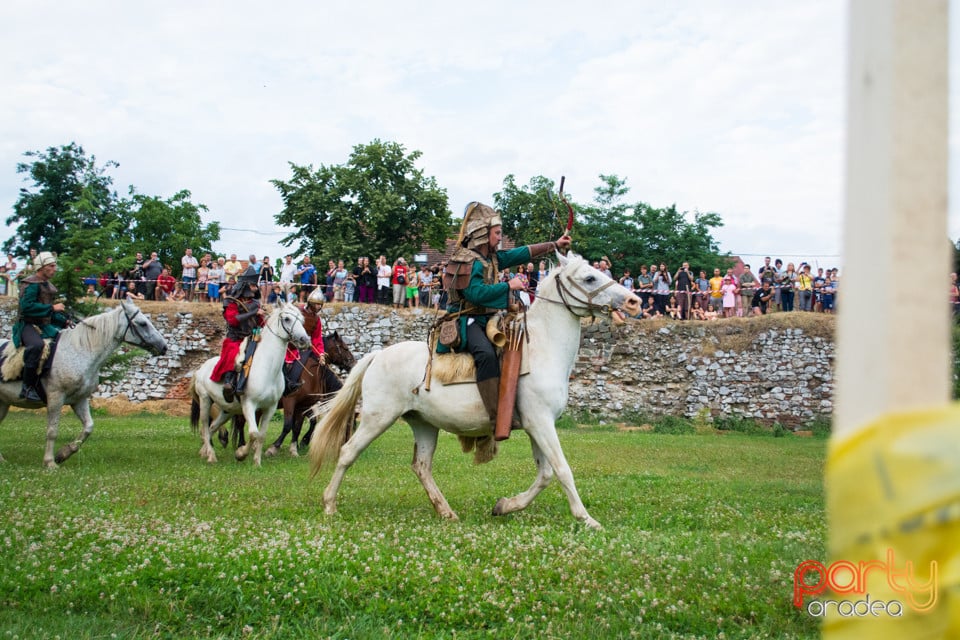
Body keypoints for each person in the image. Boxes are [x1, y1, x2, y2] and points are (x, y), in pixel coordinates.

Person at [441, 201, 570, 426]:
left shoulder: (491, 258)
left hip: (488, 318)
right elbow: (476, 294)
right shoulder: (467, 260)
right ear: (483, 234)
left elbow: (520, 254)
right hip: (467, 319)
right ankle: (495, 416)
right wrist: (509, 286)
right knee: (487, 355)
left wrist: (554, 245)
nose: (500, 237)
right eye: (497, 233)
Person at [12, 252, 69, 401]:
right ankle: (27, 387)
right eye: (51, 266)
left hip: (43, 325)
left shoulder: (47, 285)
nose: (55, 269)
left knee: (62, 341)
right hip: (26, 325)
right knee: (36, 346)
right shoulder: (31, 284)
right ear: (42, 267)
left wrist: (64, 322)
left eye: (55, 266)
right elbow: (26, 307)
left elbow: (48, 312)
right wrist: (52, 308)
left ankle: (49, 381)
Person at [210, 271, 265, 402]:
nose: (255, 288)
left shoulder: (256, 303)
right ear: (245, 286)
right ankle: (228, 382)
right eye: (253, 285)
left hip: (252, 338)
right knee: (234, 355)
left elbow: (260, 322)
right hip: (235, 339)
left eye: (255, 286)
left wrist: (263, 320)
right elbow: (233, 320)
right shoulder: (231, 302)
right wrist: (253, 313)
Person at [282, 288, 327, 395]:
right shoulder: (298, 311)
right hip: (288, 345)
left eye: (320, 304)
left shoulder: (317, 319)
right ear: (311, 303)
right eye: (317, 304)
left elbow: (316, 338)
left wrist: (320, 353)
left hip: (302, 347)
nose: (319, 307)